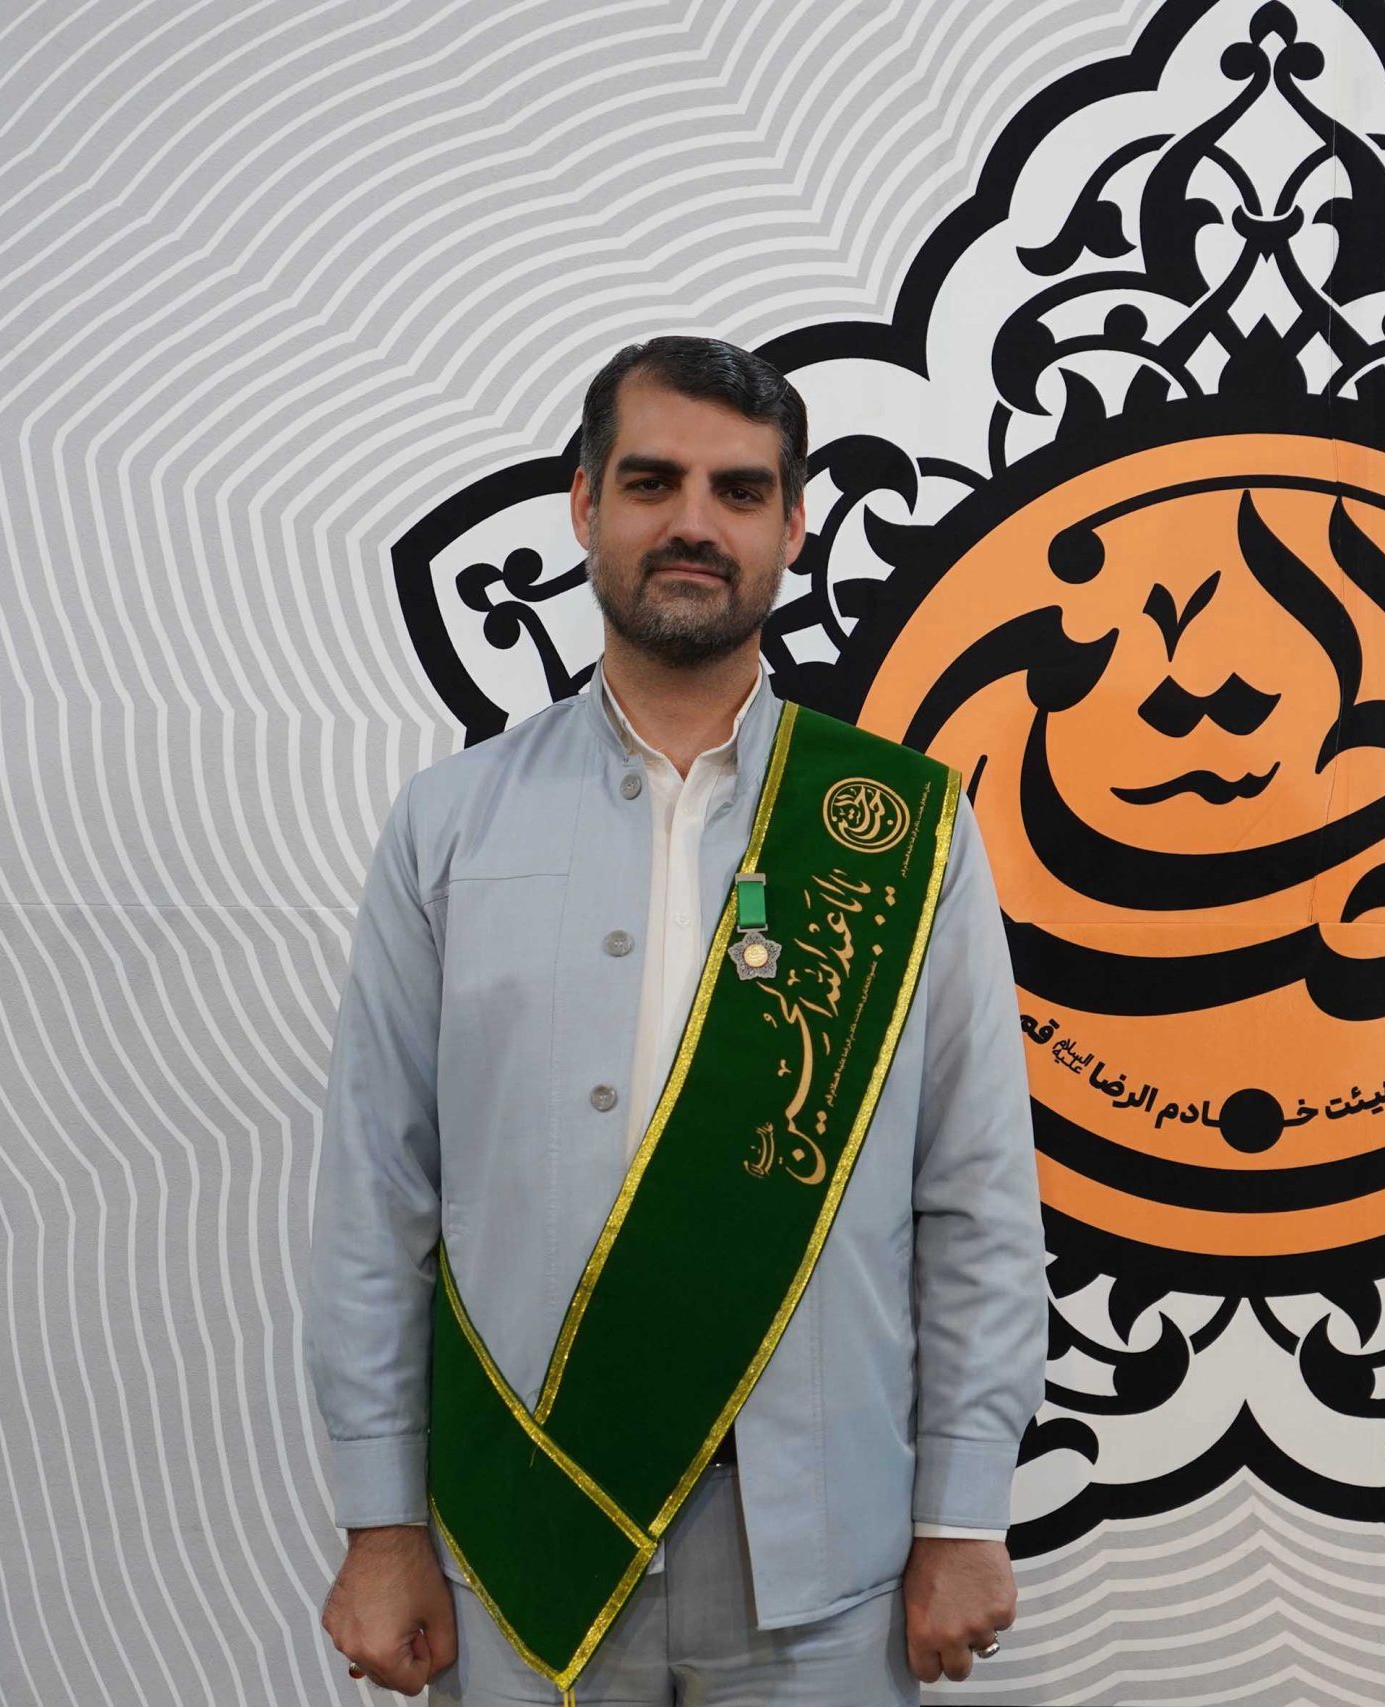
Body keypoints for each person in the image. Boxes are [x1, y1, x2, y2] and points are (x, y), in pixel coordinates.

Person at [303, 335, 1046, 1704]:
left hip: (821, 1552)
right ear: (585, 506)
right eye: (652, 483)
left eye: (739, 490)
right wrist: (380, 1521)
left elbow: (976, 1195)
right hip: (526, 1535)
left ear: (793, 526)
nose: (694, 523)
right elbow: (377, 1192)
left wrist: (964, 1511)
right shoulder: (451, 823)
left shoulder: (899, 828)